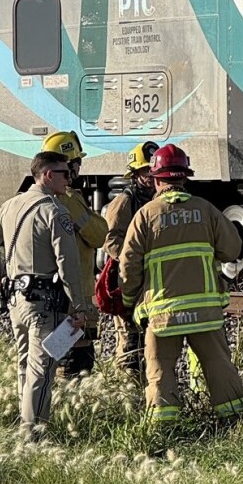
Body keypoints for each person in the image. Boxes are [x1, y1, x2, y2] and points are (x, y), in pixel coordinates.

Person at [118, 144, 243, 423]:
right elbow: (233, 249)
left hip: (163, 316)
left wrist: (129, 302)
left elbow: (128, 268)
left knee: (160, 370)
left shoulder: (145, 216)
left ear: (156, 178)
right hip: (205, 314)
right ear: (185, 177)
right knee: (218, 366)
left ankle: (164, 428)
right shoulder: (207, 210)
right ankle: (233, 422)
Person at [0, 152, 94, 437]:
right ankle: (33, 436)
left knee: (25, 367)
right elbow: (68, 263)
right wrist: (79, 308)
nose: (70, 178)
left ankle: (25, 429)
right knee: (42, 371)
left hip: (17, 301)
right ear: (48, 175)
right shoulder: (55, 211)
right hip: (46, 304)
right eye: (65, 173)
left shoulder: (10, 205)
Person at [40, 131, 109, 376]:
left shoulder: (44, 200)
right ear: (69, 166)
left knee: (62, 361)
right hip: (74, 299)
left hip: (59, 297)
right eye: (77, 162)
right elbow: (99, 234)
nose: (80, 168)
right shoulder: (69, 200)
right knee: (76, 363)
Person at [101, 141, 158, 373]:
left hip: (149, 282)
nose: (151, 176)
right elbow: (110, 240)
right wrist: (133, 260)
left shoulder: (156, 200)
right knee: (129, 344)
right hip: (127, 281)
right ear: (135, 174)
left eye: (153, 170)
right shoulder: (125, 202)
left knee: (148, 342)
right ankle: (125, 389)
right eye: (146, 171)